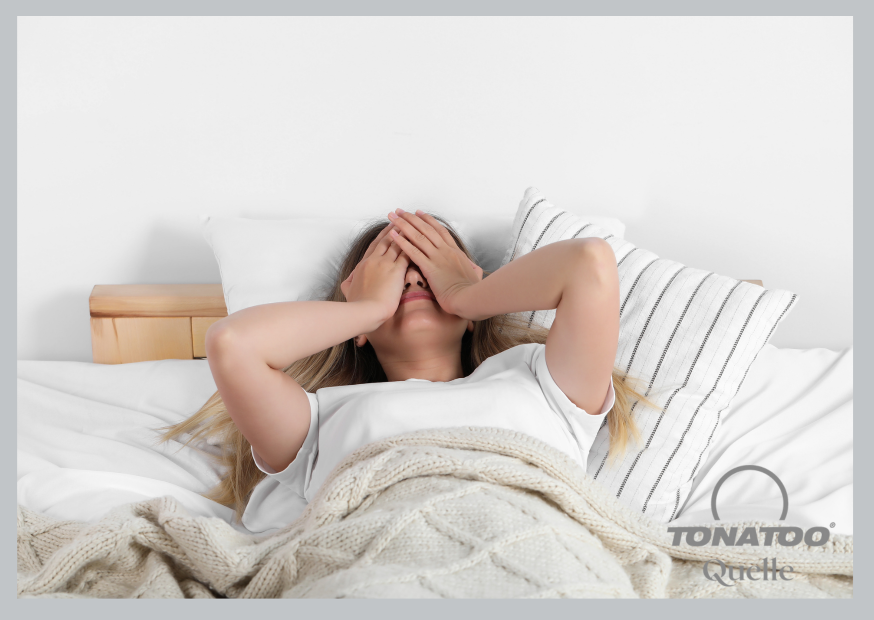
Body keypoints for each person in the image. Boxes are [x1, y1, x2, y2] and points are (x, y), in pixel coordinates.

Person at [157, 209, 654, 532]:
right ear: (357, 329)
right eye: (394, 273)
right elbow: (233, 344)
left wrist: (464, 293)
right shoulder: (317, 421)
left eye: (428, 270)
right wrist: (367, 308)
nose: (414, 278)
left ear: (472, 313)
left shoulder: (541, 382)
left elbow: (589, 263)